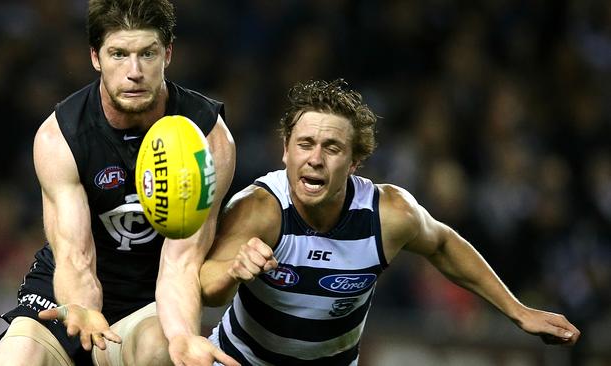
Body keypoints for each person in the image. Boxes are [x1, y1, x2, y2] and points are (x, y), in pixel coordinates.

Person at [200, 79, 581, 365]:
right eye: (304, 144)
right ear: (285, 151)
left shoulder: (389, 214)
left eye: (331, 148)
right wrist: (235, 270)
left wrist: (519, 312)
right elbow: (207, 287)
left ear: (354, 163)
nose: (315, 158)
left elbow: (444, 245)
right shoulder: (259, 207)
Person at [0, 0, 239, 365]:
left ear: (167, 54)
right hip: (66, 296)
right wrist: (82, 307)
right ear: (95, 57)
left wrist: (183, 334)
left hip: (149, 302)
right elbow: (75, 255)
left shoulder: (207, 137)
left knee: (163, 349)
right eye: (118, 54)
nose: (134, 71)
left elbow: (181, 261)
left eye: (147, 54)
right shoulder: (61, 136)